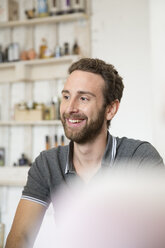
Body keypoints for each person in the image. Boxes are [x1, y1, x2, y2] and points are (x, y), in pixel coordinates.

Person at [5, 58, 164, 248]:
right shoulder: (47, 164)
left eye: (83, 98)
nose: (70, 108)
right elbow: (20, 237)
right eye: (66, 97)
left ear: (110, 109)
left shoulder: (140, 158)